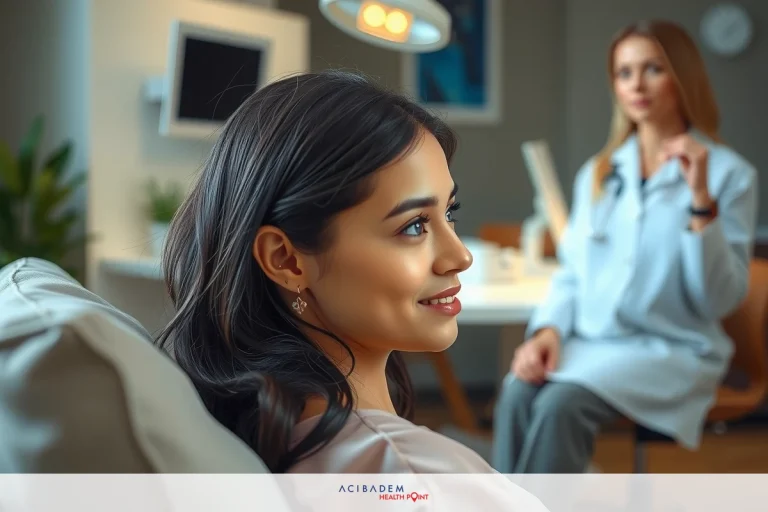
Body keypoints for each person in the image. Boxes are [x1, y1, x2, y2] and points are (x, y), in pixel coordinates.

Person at [154, 70, 507, 479]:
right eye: (414, 226)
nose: (460, 256)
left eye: (449, 213)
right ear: (287, 261)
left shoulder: (258, 435)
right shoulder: (404, 474)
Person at [493, 19, 758, 474]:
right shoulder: (599, 172)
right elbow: (573, 272)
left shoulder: (728, 175)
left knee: (561, 405)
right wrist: (547, 332)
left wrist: (700, 204)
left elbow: (719, 298)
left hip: (674, 349)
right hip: (595, 344)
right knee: (517, 389)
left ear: (683, 76)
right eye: (624, 72)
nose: (637, 84)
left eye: (653, 68)